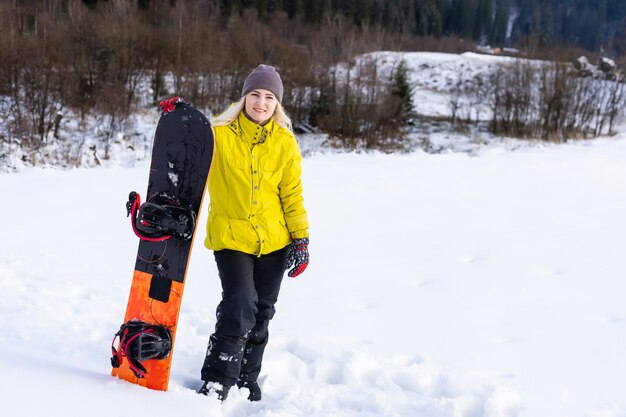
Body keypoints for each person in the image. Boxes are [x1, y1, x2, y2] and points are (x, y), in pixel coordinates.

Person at [198, 64, 310, 402]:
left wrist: (301, 238)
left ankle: (247, 377)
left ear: (277, 104)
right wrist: (182, 122)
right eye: (255, 95)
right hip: (232, 238)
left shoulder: (285, 143)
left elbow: (292, 194)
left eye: (269, 97)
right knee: (239, 305)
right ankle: (218, 380)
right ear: (244, 97)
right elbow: (187, 156)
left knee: (262, 311)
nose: (261, 103)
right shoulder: (219, 134)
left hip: (275, 241)